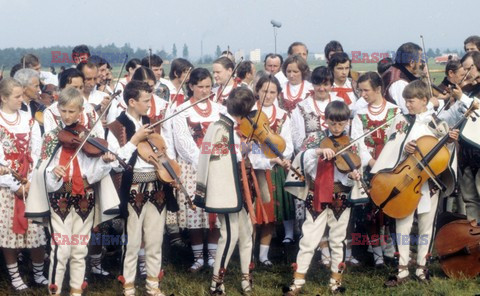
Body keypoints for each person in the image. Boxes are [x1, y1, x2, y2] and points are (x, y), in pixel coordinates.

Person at [29, 87, 119, 296]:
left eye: (72, 112)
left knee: (79, 249)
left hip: (84, 197)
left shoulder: (89, 137)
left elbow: (93, 174)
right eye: (64, 111)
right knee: (61, 249)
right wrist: (53, 172)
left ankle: (76, 291)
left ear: (81, 111)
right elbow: (42, 169)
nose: (67, 116)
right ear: (58, 109)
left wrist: (105, 163)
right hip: (59, 196)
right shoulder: (51, 138)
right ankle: (55, 291)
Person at [373, 80, 460, 286]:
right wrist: (406, 148)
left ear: (423, 100)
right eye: (406, 101)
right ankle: (402, 269)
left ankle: (422, 268)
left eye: (411, 101)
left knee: (426, 226)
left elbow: (444, 156)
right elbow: (392, 146)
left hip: (428, 183)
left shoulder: (437, 123)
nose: (408, 105)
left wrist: (448, 141)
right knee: (402, 223)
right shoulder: (400, 121)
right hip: (405, 180)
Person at [283, 100, 363, 294]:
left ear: (347, 123)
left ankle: (335, 281)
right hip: (317, 193)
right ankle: (298, 281)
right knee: (309, 237)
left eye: (341, 124)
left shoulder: (351, 143)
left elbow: (353, 167)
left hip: (340, 195)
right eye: (333, 123)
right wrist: (318, 151)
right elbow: (301, 158)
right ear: (325, 120)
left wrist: (354, 175)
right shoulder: (315, 139)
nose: (337, 128)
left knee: (337, 238)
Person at [107, 80, 174, 296]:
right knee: (133, 240)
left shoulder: (152, 123)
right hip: (133, 185)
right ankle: (128, 286)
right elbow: (116, 163)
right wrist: (135, 139)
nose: (150, 105)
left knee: (155, 238)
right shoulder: (115, 126)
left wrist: (170, 174)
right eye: (146, 101)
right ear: (132, 102)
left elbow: (164, 152)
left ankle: (153, 285)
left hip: (157, 184)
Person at [195, 87, 257, 295]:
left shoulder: (224, 126)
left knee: (246, 233)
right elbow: (220, 156)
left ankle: (246, 279)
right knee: (229, 236)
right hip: (227, 189)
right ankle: (216, 284)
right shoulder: (221, 127)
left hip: (238, 188)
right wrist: (244, 151)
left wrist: (246, 150)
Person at [172, 68, 225, 272]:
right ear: (191, 86)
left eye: (208, 86)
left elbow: (224, 136)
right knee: (195, 212)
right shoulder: (181, 111)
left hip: (217, 163)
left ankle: (212, 256)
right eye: (200, 87)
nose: (205, 90)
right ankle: (197, 257)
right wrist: (201, 160)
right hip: (192, 165)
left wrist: (215, 159)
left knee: (214, 210)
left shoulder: (220, 109)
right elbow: (183, 141)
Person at [0, 78, 47, 292]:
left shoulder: (29, 119)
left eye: (21, 95)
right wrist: (14, 184)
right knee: (9, 233)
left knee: (37, 232)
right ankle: (15, 275)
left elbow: (37, 151)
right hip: (7, 185)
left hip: (30, 181)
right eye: (17, 96)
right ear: (3, 97)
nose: (21, 100)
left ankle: (38, 273)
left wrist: (31, 179)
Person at [351, 72, 400, 266]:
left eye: (366, 90)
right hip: (369, 167)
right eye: (360, 90)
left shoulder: (395, 111)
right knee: (371, 212)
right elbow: (357, 143)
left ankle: (392, 249)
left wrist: (387, 164)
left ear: (378, 89)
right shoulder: (360, 114)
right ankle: (377, 254)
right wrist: (371, 163)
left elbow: (398, 141)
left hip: (390, 167)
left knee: (390, 209)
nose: (362, 94)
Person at [250, 75, 293, 266]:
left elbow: (288, 144)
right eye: (264, 91)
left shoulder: (283, 115)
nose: (268, 95)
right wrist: (263, 159)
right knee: (254, 213)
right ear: (257, 91)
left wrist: (279, 157)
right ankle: (249, 252)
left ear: (278, 94)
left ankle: (264, 255)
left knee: (271, 214)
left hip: (276, 169)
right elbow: (249, 144)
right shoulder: (249, 114)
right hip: (255, 168)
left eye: (272, 92)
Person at [381, 42, 424, 114]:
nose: (420, 63)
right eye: (419, 60)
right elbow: (408, 111)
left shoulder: (393, 70)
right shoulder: (399, 83)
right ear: (412, 63)